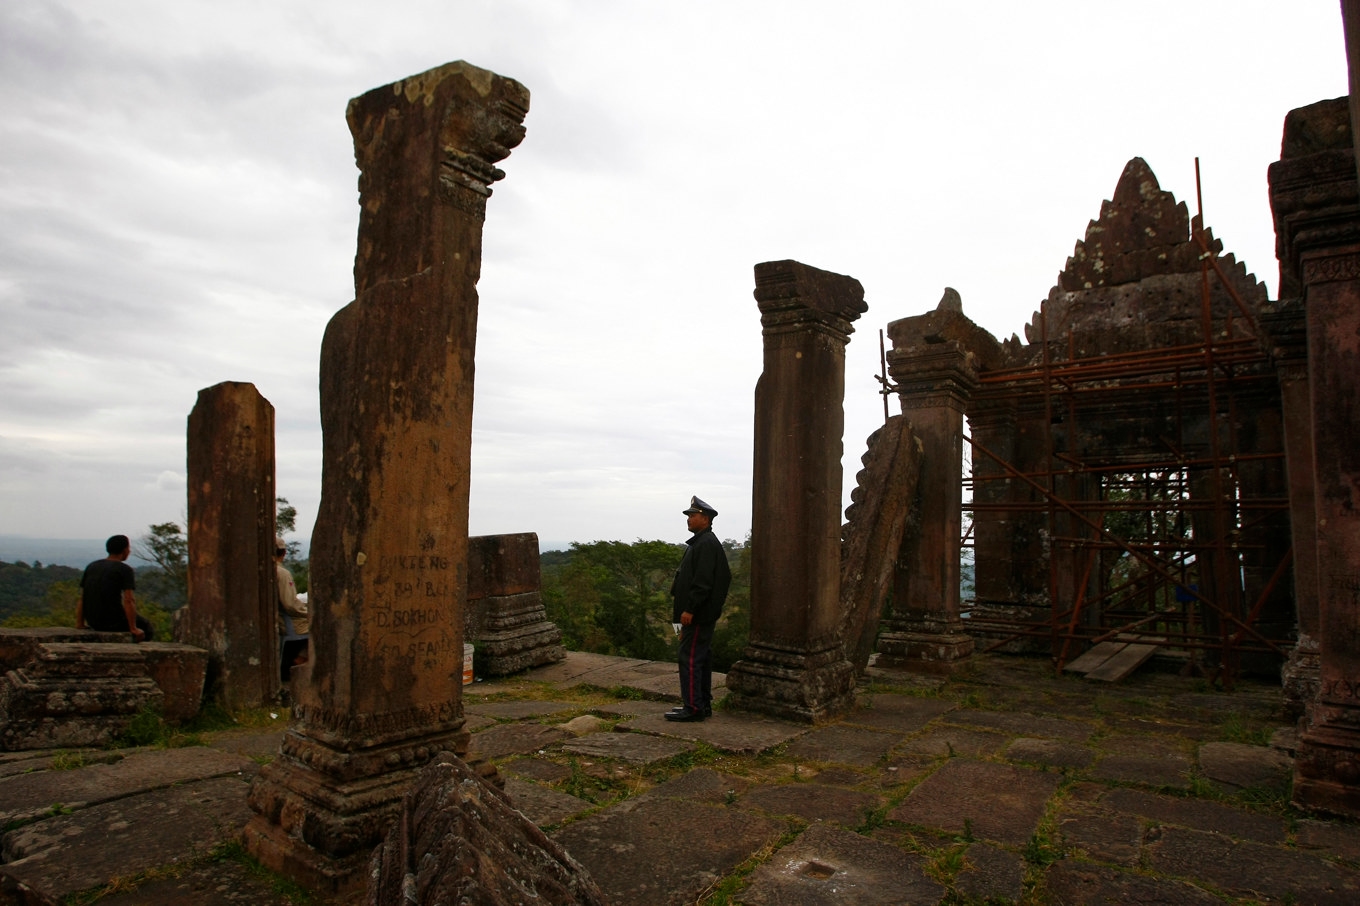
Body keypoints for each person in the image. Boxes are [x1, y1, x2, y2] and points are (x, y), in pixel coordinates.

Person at [665, 495, 731, 722]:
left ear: (706, 518)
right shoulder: (700, 543)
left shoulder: (706, 544)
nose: (689, 518)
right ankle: (701, 704)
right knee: (699, 658)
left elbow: (703, 583)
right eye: (689, 515)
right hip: (691, 615)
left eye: (693, 515)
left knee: (690, 658)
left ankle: (693, 707)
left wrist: (691, 609)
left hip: (696, 616)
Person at [78, 534, 152, 641]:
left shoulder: (92, 566)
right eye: (128, 548)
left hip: (93, 622)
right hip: (114, 622)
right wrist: (133, 628)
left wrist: (80, 623)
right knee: (146, 627)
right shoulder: (125, 570)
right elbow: (129, 600)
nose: (129, 551)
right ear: (125, 550)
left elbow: (83, 598)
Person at [274, 537, 310, 683]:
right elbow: (289, 604)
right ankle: (301, 659)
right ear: (284, 553)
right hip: (288, 622)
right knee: (323, 626)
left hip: (281, 618)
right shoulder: (282, 573)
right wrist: (308, 612)